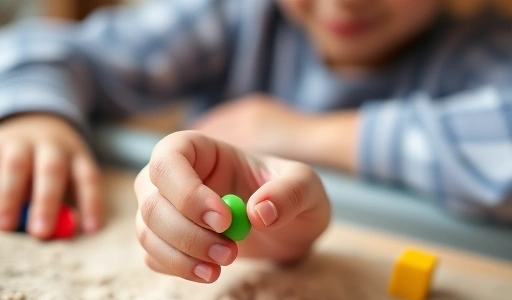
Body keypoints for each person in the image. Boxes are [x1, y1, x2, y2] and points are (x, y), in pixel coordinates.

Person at [0, 0, 511, 282]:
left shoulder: (479, 48)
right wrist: (32, 111)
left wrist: (303, 134)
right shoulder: (235, 15)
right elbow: (38, 44)